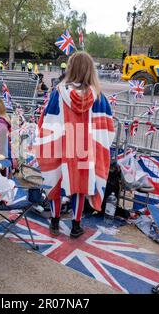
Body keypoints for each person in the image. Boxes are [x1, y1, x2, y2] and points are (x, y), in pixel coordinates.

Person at [35, 52, 115, 239]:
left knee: (56, 181)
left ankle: (54, 222)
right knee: (80, 186)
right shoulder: (98, 96)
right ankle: (75, 227)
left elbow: (47, 121)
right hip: (84, 149)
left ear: (70, 68)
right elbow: (107, 127)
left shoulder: (59, 92)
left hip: (62, 146)